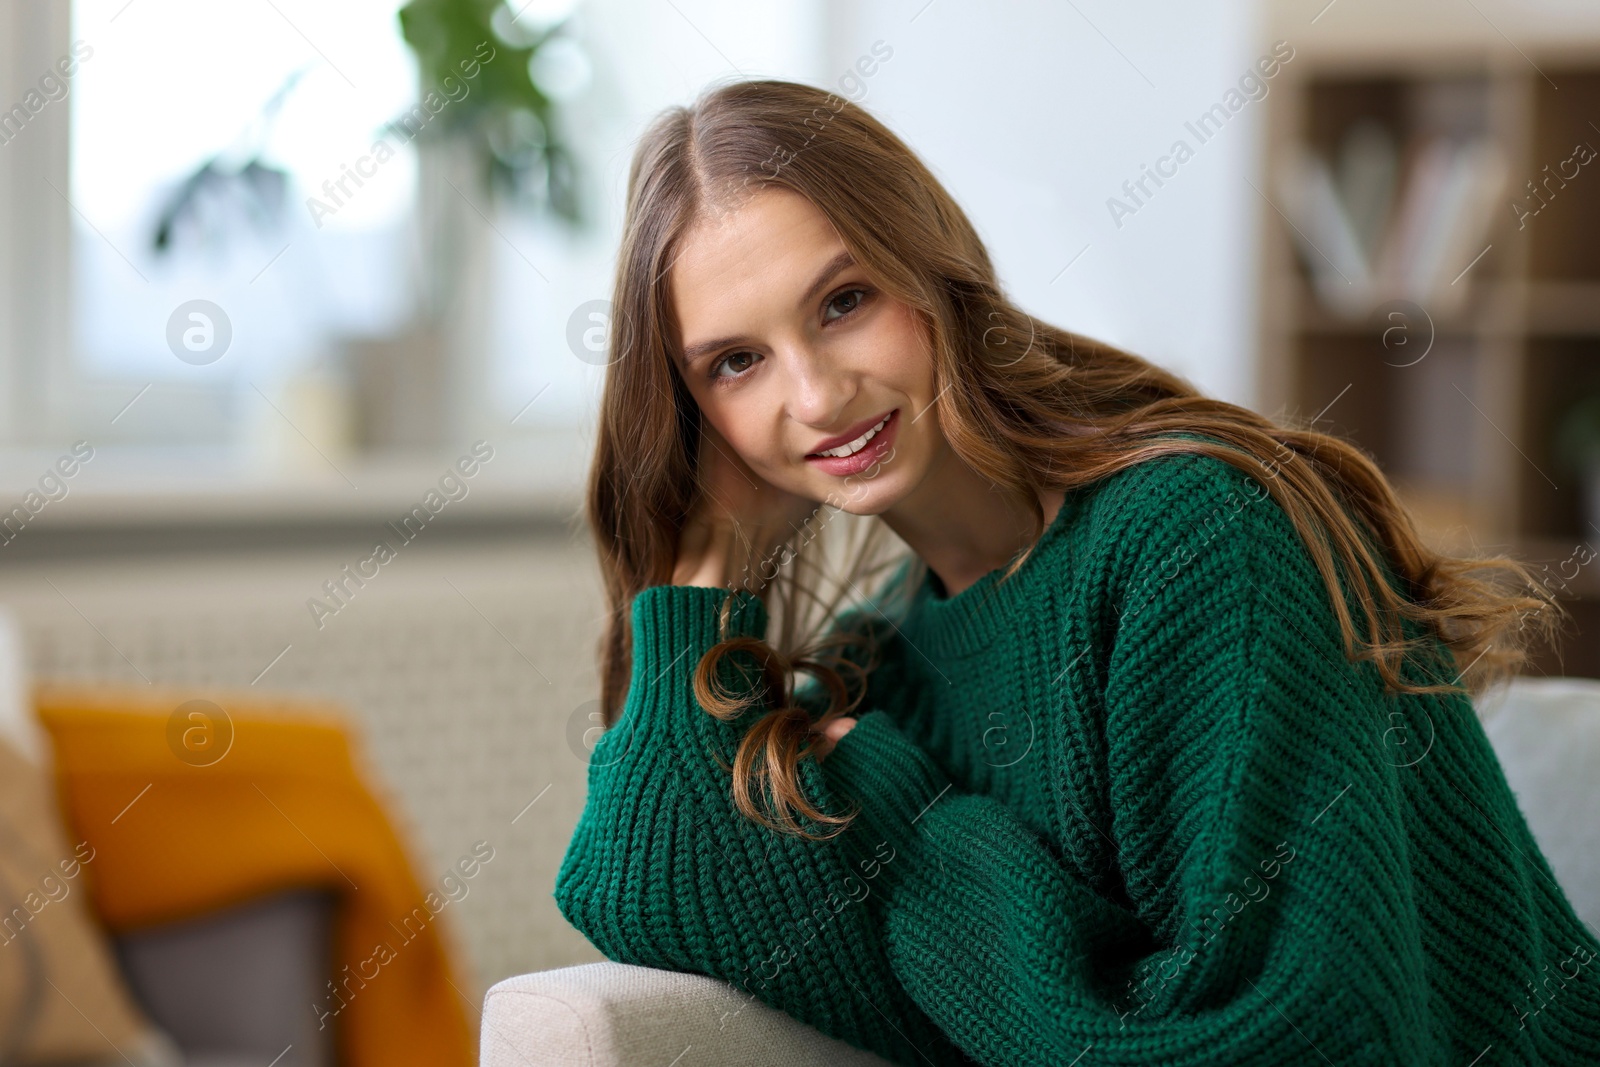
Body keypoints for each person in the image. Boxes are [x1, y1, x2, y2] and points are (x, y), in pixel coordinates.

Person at [553, 77, 1600, 1066]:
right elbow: (637, 882)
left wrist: (920, 844)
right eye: (736, 362)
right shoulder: (883, 659)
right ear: (700, 418)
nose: (818, 395)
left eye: (843, 300)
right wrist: (704, 569)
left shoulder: (1197, 539)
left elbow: (1305, 1036)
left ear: (931, 268)